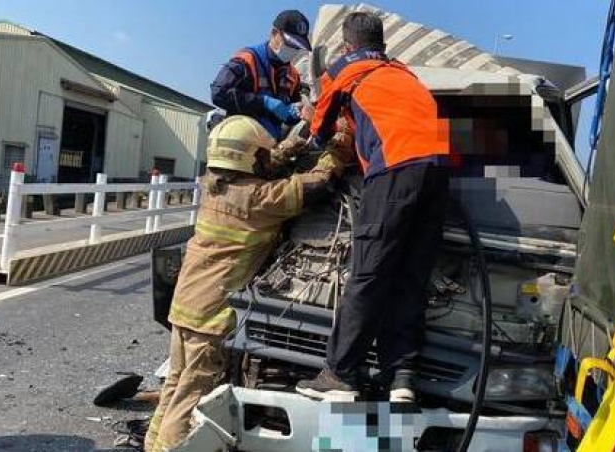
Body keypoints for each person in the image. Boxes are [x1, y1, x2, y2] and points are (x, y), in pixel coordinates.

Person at [144, 115, 352, 452]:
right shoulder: (259, 199)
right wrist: (337, 152)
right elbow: (315, 185)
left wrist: (285, 149)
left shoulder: (213, 182)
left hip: (184, 307)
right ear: (250, 159)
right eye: (261, 156)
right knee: (191, 395)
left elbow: (259, 169)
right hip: (210, 317)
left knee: (174, 385)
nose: (265, 162)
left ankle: (152, 445)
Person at [295, 11, 451, 403]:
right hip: (438, 171)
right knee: (411, 277)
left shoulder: (344, 70)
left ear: (348, 45)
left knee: (369, 273)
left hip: (395, 170)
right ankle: (401, 377)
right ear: (383, 45)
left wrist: (309, 121)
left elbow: (318, 135)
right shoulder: (404, 73)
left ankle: (340, 373)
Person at [210, 9, 312, 139]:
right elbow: (218, 93)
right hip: (239, 139)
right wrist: (263, 102)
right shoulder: (247, 60)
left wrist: (294, 114)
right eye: (289, 44)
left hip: (268, 144)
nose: (292, 50)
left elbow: (291, 115)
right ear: (274, 33)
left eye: (297, 47)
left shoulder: (293, 76)